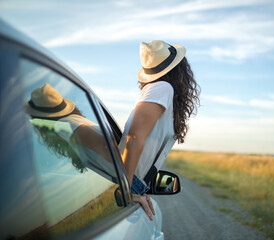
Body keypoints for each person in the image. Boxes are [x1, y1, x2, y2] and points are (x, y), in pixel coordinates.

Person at [118, 40, 200, 220]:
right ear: (179, 69)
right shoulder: (163, 88)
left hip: (133, 183)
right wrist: (126, 189)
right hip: (128, 183)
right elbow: (134, 137)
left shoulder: (160, 90)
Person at [25, 83, 117, 183]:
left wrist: (128, 179)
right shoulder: (74, 120)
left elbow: (107, 147)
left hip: (131, 173)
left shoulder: (64, 125)